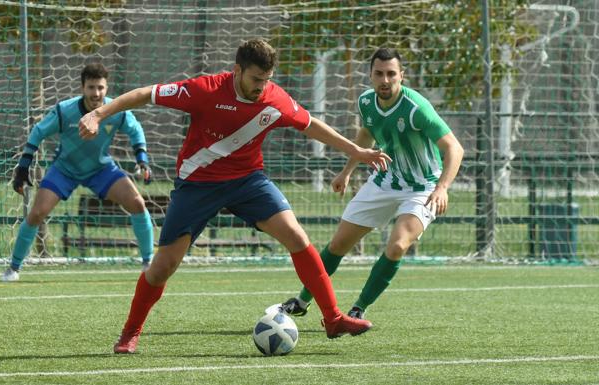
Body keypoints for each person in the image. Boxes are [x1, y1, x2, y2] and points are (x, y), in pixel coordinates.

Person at [78, 38, 392, 354]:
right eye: (256, 79)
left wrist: (355, 151)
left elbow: (311, 125)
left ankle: (333, 318)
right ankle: (130, 333)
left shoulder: (275, 99)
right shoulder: (206, 90)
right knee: (162, 267)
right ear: (237, 70)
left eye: (267, 80)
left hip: (248, 181)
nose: (262, 86)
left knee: (296, 236)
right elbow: (146, 94)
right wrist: (99, 114)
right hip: (198, 185)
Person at [281, 48, 464, 321]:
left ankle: (359, 307)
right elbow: (366, 134)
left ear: (402, 76)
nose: (385, 80)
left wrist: (442, 187)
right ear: (370, 75)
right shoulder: (367, 102)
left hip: (422, 187)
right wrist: (346, 172)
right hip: (385, 180)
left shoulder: (416, 108)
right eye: (379, 74)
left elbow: (454, 147)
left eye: (391, 74)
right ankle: (302, 300)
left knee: (397, 245)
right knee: (338, 245)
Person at [1, 63, 154, 282]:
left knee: (138, 203)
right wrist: (23, 167)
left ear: (107, 88)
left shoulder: (116, 110)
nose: (96, 93)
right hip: (65, 170)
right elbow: (38, 132)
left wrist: (142, 160)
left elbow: (135, 129)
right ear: (82, 88)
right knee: (36, 214)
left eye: (100, 87)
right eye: (91, 87)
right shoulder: (65, 111)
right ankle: (13, 268)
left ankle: (148, 263)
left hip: (101, 169)